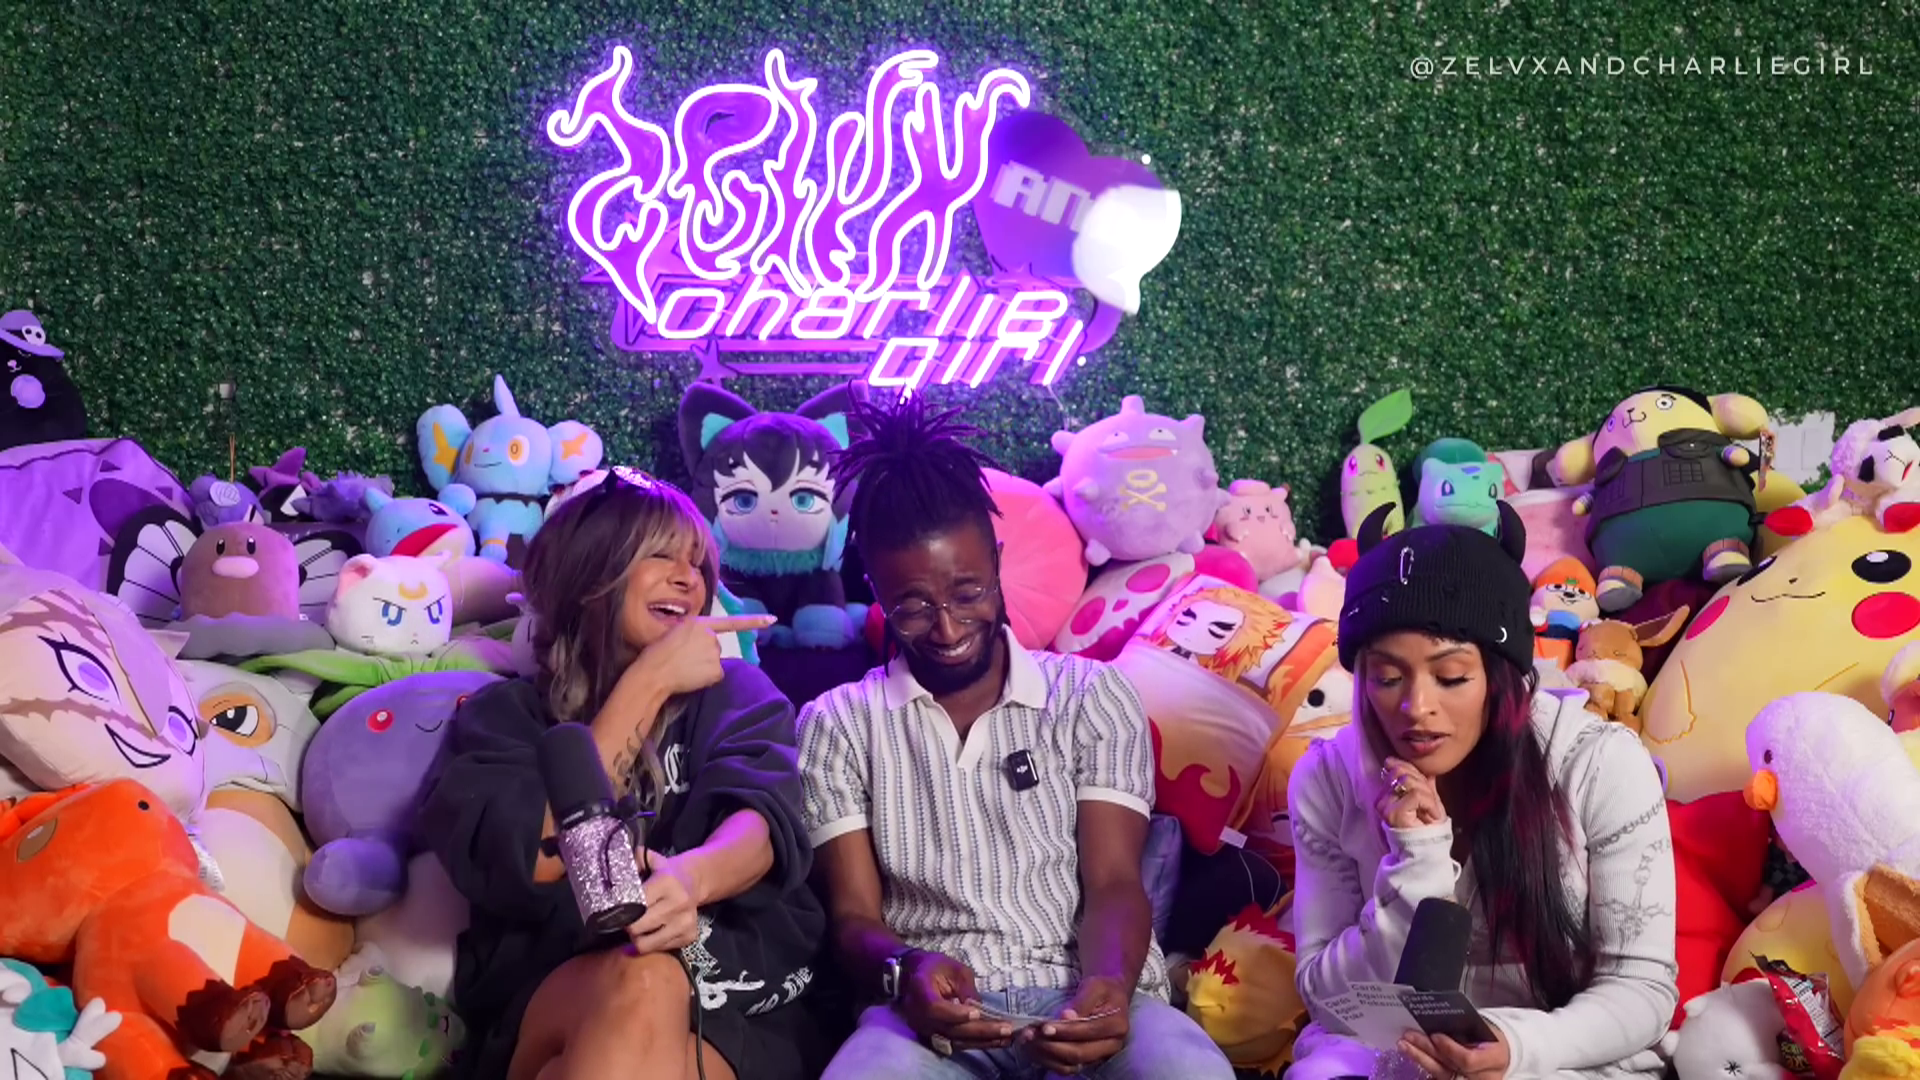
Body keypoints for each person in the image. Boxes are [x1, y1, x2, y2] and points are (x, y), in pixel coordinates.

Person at [797, 397, 1235, 1080]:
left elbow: (1115, 882)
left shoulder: (1090, 695)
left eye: (967, 592)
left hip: (1092, 996)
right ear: (875, 591)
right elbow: (853, 918)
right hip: (928, 1023)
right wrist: (904, 968)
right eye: (912, 606)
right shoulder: (838, 723)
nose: (947, 628)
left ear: (998, 564)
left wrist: (1109, 987)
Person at [416, 470, 830, 1080]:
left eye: (697, 563)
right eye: (661, 555)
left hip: (732, 1008)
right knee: (644, 979)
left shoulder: (737, 693)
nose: (688, 578)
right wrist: (650, 681)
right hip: (560, 993)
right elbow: (531, 859)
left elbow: (762, 825)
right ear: (589, 573)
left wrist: (692, 879)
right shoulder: (503, 718)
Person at [1286, 504, 1679, 1080]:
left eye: (1451, 677)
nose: (1416, 707)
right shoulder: (1325, 779)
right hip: (1387, 1055)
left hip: (1560, 1061)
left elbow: (1641, 989)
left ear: (1502, 676)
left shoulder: (1600, 764)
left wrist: (1514, 1048)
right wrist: (1414, 866)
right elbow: (1328, 1001)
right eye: (1387, 678)